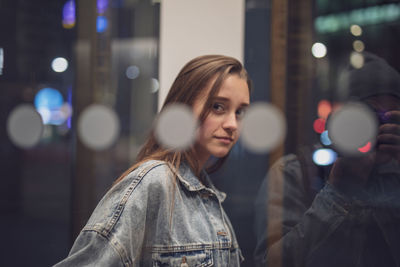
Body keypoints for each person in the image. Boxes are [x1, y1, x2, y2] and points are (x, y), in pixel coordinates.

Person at [55, 55, 252, 266]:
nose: (232, 123)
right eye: (218, 107)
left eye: (240, 112)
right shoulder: (154, 181)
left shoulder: (208, 196)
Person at [254, 52, 400, 267]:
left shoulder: (395, 173)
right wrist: (336, 193)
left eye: (392, 118)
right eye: (374, 116)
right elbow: (269, 264)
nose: (382, 127)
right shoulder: (295, 173)